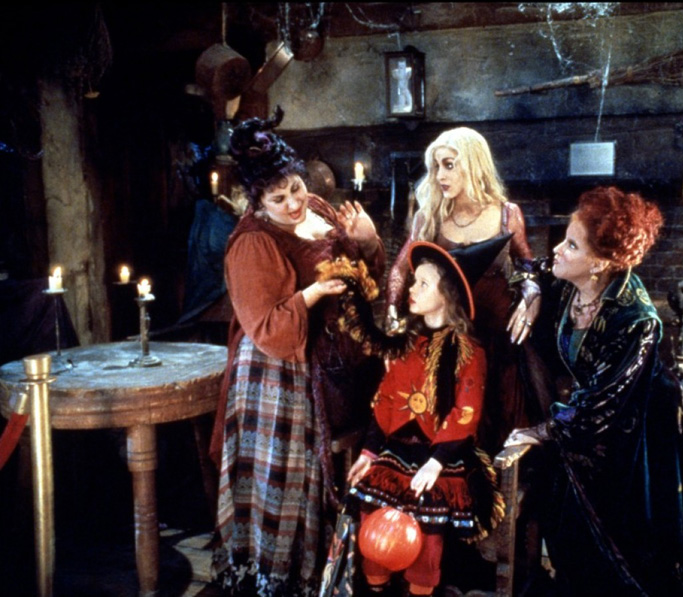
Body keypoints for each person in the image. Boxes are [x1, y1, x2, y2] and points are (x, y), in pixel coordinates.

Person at [506, 186, 683, 596]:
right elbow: (529, 268)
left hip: (638, 431)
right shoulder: (567, 282)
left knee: (622, 545)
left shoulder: (637, 320)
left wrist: (539, 431)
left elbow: (600, 408)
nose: (558, 250)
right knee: (568, 530)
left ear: (600, 262)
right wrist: (532, 292)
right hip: (589, 415)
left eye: (571, 245)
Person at [208, 117, 386, 596]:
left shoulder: (320, 208)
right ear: (256, 202)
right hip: (277, 370)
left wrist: (367, 241)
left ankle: (357, 560)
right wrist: (311, 294)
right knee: (284, 482)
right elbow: (266, 327)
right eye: (277, 199)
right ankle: (285, 573)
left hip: (336, 356)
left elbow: (365, 279)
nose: (292, 204)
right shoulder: (252, 241)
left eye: (295, 189)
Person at [343, 237, 508, 596]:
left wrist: (436, 462)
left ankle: (421, 590)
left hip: (441, 454)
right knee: (371, 507)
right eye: (413, 281)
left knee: (424, 519)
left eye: (423, 284)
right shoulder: (405, 342)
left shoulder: (468, 351)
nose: (411, 289)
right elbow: (387, 399)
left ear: (447, 294)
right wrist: (369, 451)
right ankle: (376, 588)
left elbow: (466, 412)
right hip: (398, 448)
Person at [384, 126, 551, 455]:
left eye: (449, 165)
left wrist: (532, 295)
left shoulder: (507, 214)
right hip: (450, 338)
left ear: (473, 164)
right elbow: (400, 269)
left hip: (497, 336)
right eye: (436, 167)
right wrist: (392, 311)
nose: (440, 176)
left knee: (498, 434)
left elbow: (528, 267)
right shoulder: (429, 216)